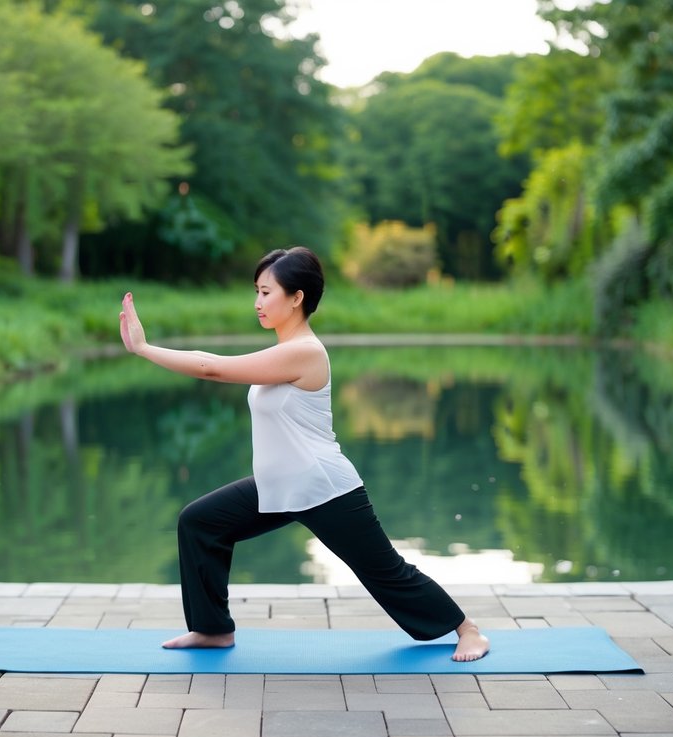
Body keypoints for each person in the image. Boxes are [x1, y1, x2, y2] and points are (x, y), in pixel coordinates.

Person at [118, 246, 490, 662]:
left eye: (266, 292)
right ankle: (211, 629)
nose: (258, 303)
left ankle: (467, 629)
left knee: (386, 572)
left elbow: (213, 368)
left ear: (296, 298)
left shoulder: (305, 352)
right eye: (256, 292)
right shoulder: (282, 351)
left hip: (322, 486)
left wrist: (145, 349)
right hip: (279, 487)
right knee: (199, 523)